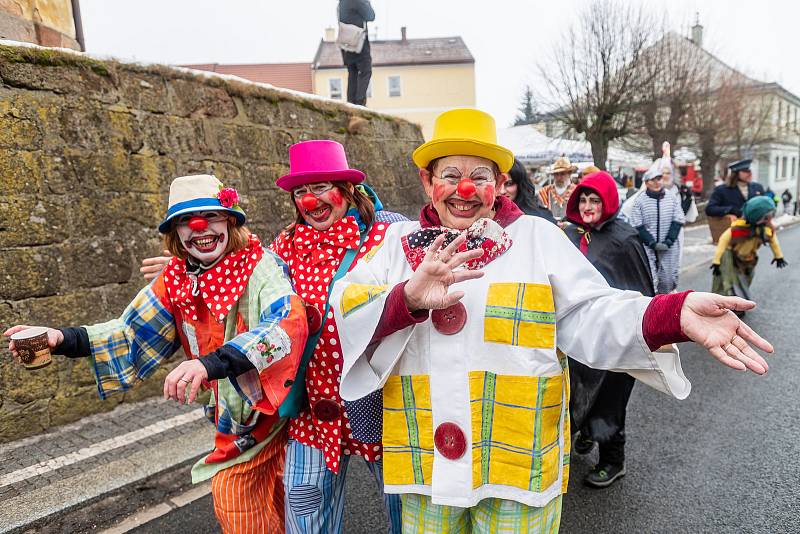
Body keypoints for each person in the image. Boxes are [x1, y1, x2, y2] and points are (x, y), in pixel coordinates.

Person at [329, 108, 771, 533]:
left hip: (516, 464)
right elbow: (348, 304)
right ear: (427, 182)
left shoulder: (538, 238)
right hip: (426, 464)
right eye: (449, 176)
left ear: (501, 184)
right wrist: (406, 297)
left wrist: (669, 313)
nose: (464, 190)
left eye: (480, 177)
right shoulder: (394, 243)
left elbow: (592, 311)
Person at [5, 175, 309, 533]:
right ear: (176, 233)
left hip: (272, 406)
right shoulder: (177, 279)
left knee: (235, 496)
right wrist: (60, 338)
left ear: (230, 220)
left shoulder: (259, 267)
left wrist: (209, 363)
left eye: (211, 215)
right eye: (186, 221)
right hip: (233, 416)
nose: (199, 227)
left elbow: (286, 323)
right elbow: (129, 332)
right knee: (276, 497)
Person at [140, 141, 405, 533]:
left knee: (408, 516)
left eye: (320, 188)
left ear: (346, 189)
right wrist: (190, 264)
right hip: (312, 415)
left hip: (384, 407)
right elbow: (241, 273)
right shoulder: (285, 246)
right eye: (301, 192)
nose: (310, 200)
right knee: (306, 521)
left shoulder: (390, 234)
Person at [563, 171, 655, 489]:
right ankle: (588, 431)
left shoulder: (624, 239)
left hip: (615, 333)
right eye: (583, 200)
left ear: (609, 202)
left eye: (595, 200)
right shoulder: (575, 235)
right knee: (579, 391)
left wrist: (636, 333)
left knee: (609, 399)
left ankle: (612, 461)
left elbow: (643, 291)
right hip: (581, 332)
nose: (588, 206)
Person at [711, 196, 788, 305]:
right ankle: (734, 305)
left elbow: (773, 240)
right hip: (732, 258)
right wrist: (717, 261)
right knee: (733, 282)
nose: (770, 220)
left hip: (749, 259)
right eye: (766, 217)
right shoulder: (738, 229)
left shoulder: (764, 230)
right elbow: (723, 241)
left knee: (746, 280)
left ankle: (738, 302)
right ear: (756, 216)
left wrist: (778, 256)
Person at [630, 160, 685, 294]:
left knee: (667, 280)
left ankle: (665, 305)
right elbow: (637, 224)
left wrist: (669, 241)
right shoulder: (639, 201)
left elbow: (678, 219)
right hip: (648, 247)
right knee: (650, 279)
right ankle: (653, 306)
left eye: (659, 179)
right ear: (646, 182)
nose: (656, 182)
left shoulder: (671, 198)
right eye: (653, 180)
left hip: (669, 247)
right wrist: (652, 243)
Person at [338, 0, 375, 106]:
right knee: (366, 71)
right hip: (359, 41)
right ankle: (360, 102)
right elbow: (371, 15)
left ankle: (351, 102)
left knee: (352, 72)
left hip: (346, 43)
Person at [500, 158, 556, 223]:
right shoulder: (487, 216)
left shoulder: (539, 218)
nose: (502, 191)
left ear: (520, 185)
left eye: (509, 184)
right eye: (497, 184)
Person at [537, 156, 577, 225]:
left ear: (569, 174)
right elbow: (540, 213)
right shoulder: (544, 192)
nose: (559, 177)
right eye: (556, 174)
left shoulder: (577, 191)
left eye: (562, 174)